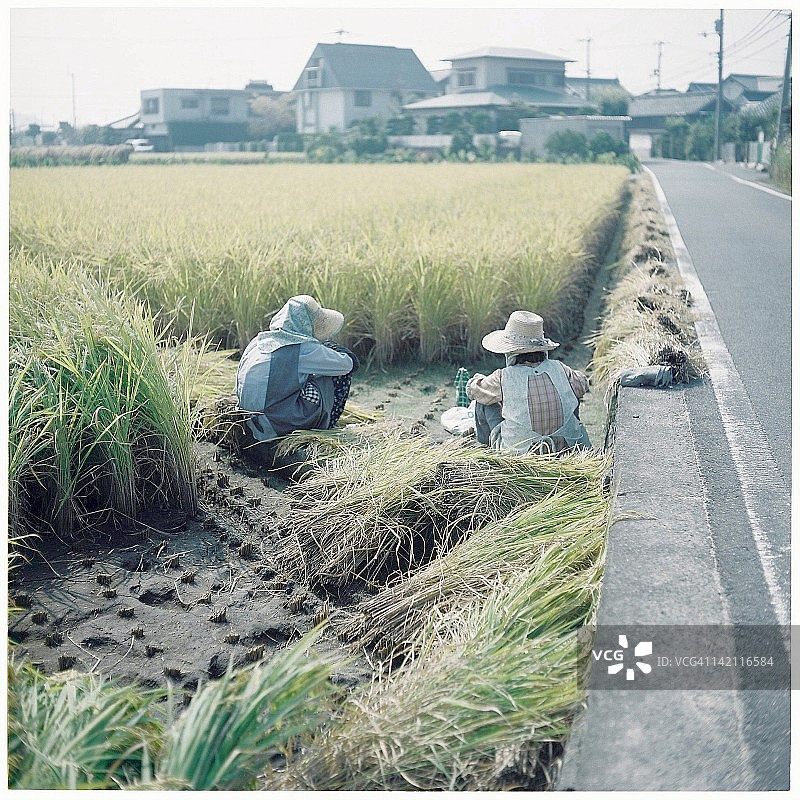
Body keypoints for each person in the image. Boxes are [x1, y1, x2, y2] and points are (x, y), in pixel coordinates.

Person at [234, 295, 359, 462]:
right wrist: (329, 346)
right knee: (331, 375)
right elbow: (349, 364)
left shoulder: (259, 341)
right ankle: (327, 424)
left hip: (250, 420)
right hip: (274, 425)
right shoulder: (301, 348)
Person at [466, 310, 592, 454]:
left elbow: (473, 391)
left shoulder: (502, 377)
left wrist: (477, 380)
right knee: (572, 391)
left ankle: (485, 451)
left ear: (511, 351)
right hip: (564, 448)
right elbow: (583, 383)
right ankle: (567, 441)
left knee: (483, 401)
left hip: (521, 452)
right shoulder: (560, 368)